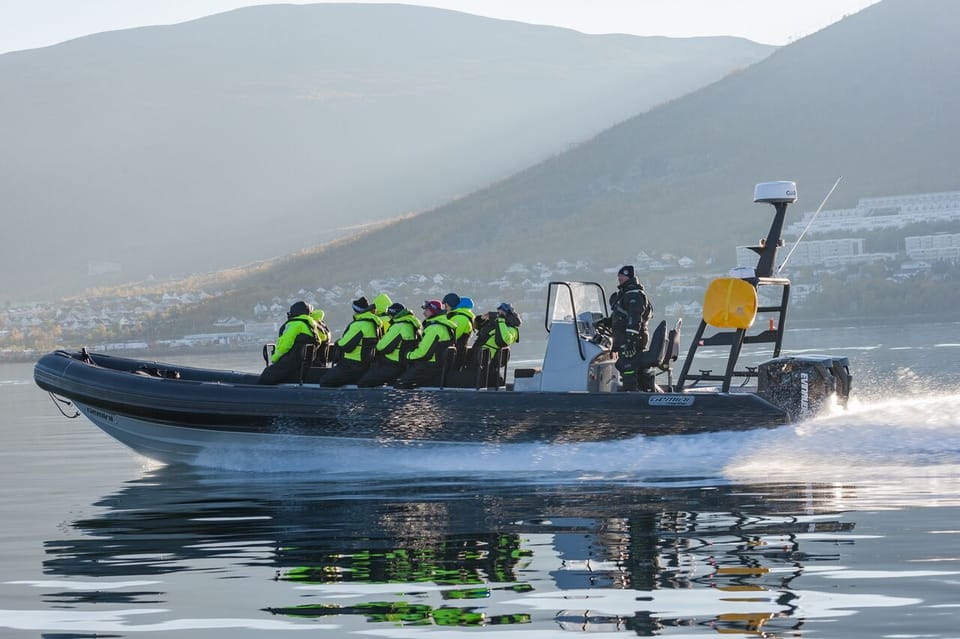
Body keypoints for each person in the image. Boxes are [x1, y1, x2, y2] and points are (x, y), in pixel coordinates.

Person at [319, 297, 384, 387]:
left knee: (325, 381)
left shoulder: (359, 325)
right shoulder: (374, 324)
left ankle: (339, 400)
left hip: (351, 365)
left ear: (356, 310)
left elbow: (344, 344)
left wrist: (338, 341)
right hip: (366, 364)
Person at [393, 300, 457, 389]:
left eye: (426, 310)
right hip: (438, 365)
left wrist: (408, 355)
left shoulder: (434, 328)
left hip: (430, 366)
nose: (424, 313)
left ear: (433, 311)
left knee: (400, 384)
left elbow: (424, 352)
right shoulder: (444, 325)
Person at [356, 302, 422, 387]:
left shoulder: (398, 326)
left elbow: (381, 347)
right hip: (406, 365)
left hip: (393, 364)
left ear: (394, 315)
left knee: (364, 382)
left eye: (390, 315)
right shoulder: (412, 325)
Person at [609, 265, 653, 391]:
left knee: (628, 367)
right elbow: (622, 317)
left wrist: (630, 341)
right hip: (629, 339)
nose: (619, 278)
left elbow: (634, 318)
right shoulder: (627, 294)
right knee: (631, 366)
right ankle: (642, 390)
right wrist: (605, 322)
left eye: (622, 275)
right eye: (619, 276)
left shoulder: (633, 295)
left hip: (632, 340)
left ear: (629, 276)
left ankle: (631, 393)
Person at [257, 301, 323, 384]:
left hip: (292, 361)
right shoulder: (311, 325)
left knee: (266, 375)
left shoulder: (295, 324)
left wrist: (275, 358)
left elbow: (285, 344)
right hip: (303, 362)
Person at [467, 302, 521, 387]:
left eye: (501, 312)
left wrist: (501, 321)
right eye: (498, 312)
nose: (498, 314)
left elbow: (503, 340)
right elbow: (476, 326)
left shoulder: (512, 329)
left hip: (489, 362)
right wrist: (482, 318)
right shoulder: (494, 323)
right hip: (478, 361)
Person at [442, 292, 475, 369]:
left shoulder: (460, 318)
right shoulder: (461, 316)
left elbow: (452, 337)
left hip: (454, 356)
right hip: (456, 354)